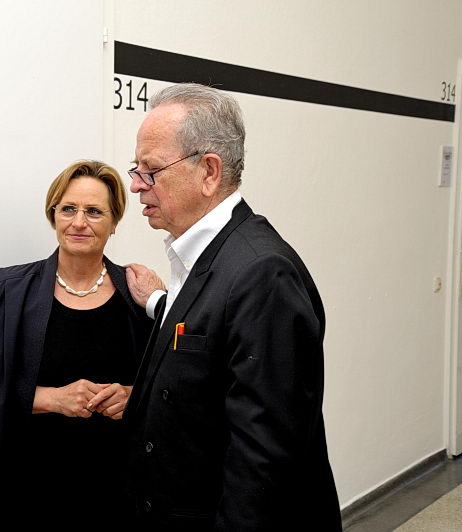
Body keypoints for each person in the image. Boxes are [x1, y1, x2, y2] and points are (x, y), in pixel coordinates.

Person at [123, 83, 342, 531]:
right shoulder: (202, 258)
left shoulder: (263, 274)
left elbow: (263, 461)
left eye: (151, 170)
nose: (136, 185)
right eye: (137, 169)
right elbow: (209, 342)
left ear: (208, 170)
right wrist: (158, 304)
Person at [0, 160, 153, 531]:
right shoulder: (8, 291)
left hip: (116, 496)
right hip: (26, 496)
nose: (79, 222)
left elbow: (169, 390)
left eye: (94, 211)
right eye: (68, 209)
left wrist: (134, 397)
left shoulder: (138, 298)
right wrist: (50, 399)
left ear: (114, 222)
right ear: (53, 216)